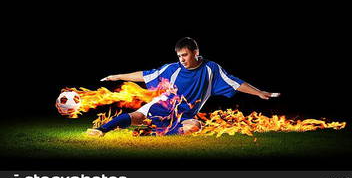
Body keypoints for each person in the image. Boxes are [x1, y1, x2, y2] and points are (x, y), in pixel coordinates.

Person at [86, 37, 280, 137]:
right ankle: (102, 130)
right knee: (137, 117)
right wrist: (117, 76)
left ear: (196, 52)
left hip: (184, 115)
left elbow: (235, 82)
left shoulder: (211, 69)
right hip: (162, 106)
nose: (182, 60)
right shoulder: (172, 68)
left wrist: (259, 93)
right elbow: (145, 75)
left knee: (195, 126)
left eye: (185, 55)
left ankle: (152, 134)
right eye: (179, 56)